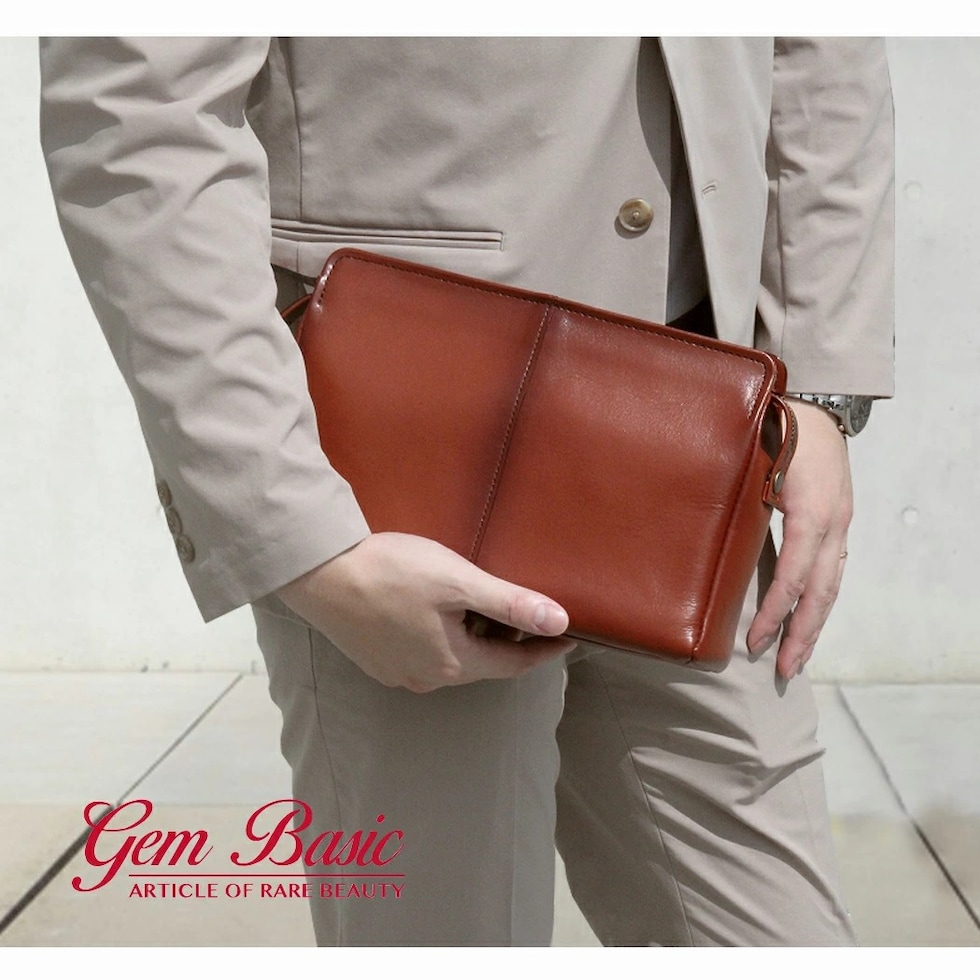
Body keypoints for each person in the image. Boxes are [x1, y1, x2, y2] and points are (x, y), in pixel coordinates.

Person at [39, 37, 894, 946]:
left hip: (700, 456)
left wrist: (820, 390)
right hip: (410, 479)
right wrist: (308, 543)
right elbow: (136, 110)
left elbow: (822, 45)